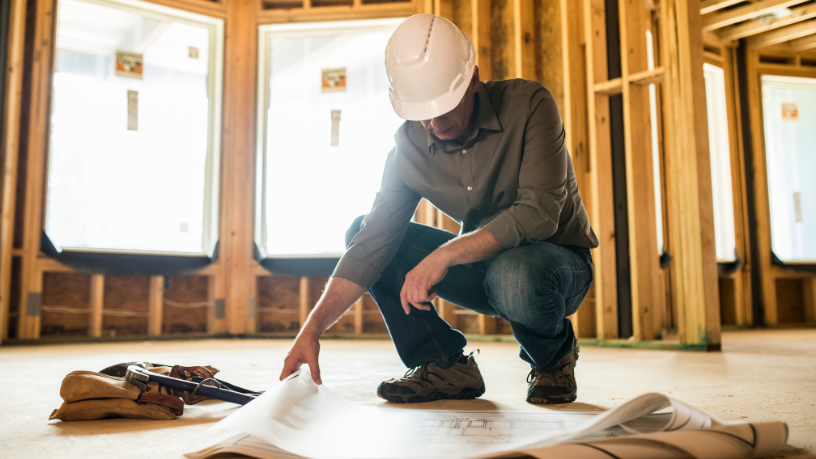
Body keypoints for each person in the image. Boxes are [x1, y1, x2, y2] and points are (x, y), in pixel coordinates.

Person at [279, 14, 598, 405]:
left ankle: (554, 359)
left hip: (557, 265)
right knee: (362, 230)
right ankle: (443, 364)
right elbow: (370, 246)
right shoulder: (407, 149)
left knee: (514, 274)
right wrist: (311, 330)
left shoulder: (529, 105)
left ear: (474, 80)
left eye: (445, 107)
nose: (433, 122)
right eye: (420, 113)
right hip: (486, 267)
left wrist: (445, 255)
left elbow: (541, 212)